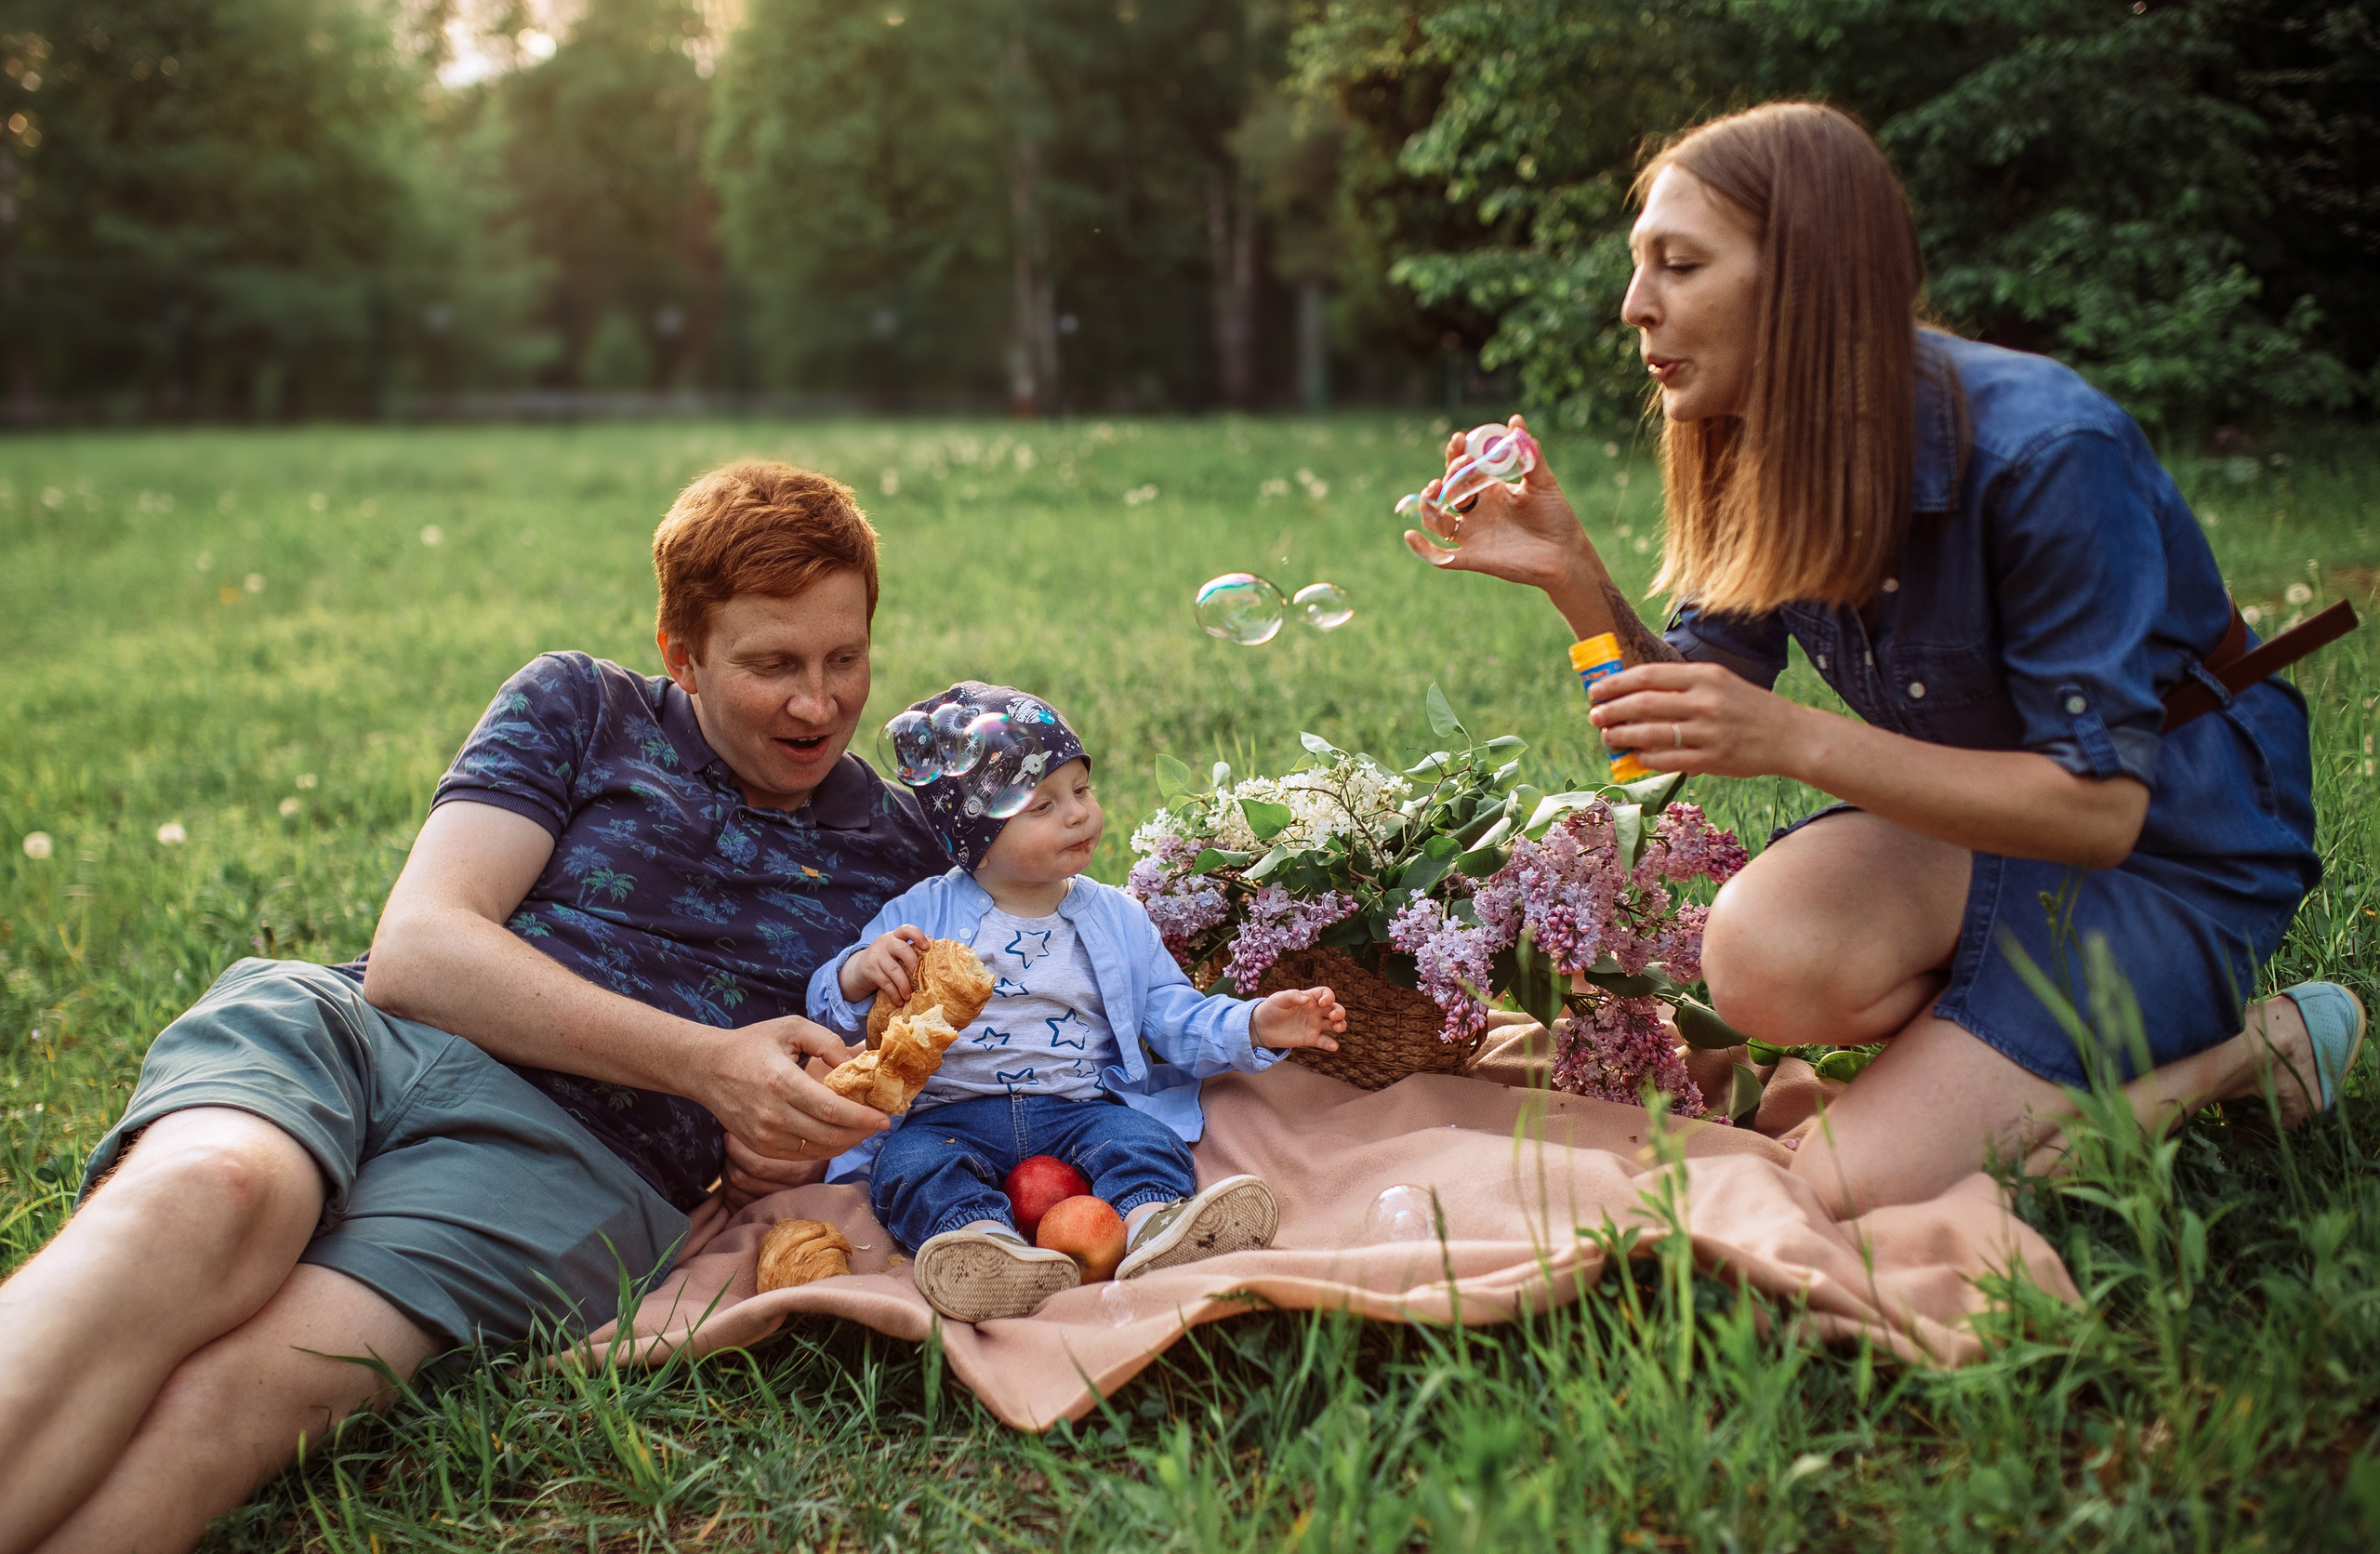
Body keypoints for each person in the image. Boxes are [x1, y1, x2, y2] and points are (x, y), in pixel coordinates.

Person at [1402, 102, 2364, 1217]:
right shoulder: (1759, 445)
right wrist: (1572, 575)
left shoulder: (2048, 451)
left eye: (1679, 263)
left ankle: (2251, 1049)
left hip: (2169, 849)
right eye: (1638, 265)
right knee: (1757, 955)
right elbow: (1680, 733)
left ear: (1808, 279)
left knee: (1848, 1193)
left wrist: (1800, 742)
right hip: (1972, 837)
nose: (1634, 305)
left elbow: (2100, 812)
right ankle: (1995, 1039)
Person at [0, 461, 944, 1554]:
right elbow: (420, 951)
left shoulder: (905, 858)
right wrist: (708, 1062)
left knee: (260, 1390)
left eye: (845, 659)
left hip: (577, 1161)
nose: (818, 703)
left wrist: (782, 1129)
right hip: (361, 1037)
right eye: (772, 664)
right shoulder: (581, 704)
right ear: (682, 657)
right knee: (199, 1196)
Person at [810, 682, 1346, 1322]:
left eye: (1082, 791)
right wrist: (857, 972)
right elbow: (827, 1005)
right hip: (949, 1117)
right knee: (912, 1165)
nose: (1078, 814)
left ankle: (1156, 1226)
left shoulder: (1116, 916)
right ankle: (986, 1247)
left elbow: (1173, 1015)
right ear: (974, 836)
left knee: (1140, 1139)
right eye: (1043, 803)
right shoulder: (924, 911)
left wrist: (1255, 1022)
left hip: (1079, 1110)